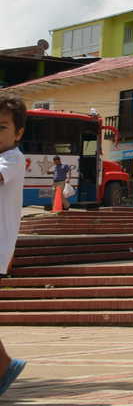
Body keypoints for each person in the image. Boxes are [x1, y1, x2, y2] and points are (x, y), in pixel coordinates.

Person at [0, 94, 27, 394]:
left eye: (2, 127)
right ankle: (6, 364)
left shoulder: (12, 158)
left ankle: (6, 365)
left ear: (18, 133)